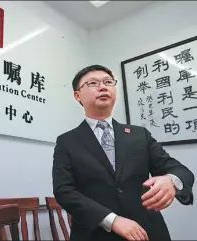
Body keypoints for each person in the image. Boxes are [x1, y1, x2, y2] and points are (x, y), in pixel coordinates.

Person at [52, 65, 194, 241]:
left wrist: (171, 180)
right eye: (93, 83)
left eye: (108, 82)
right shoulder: (67, 141)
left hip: (147, 231)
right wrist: (112, 220)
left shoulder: (139, 135)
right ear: (77, 95)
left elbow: (178, 169)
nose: (103, 87)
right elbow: (64, 190)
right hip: (95, 233)